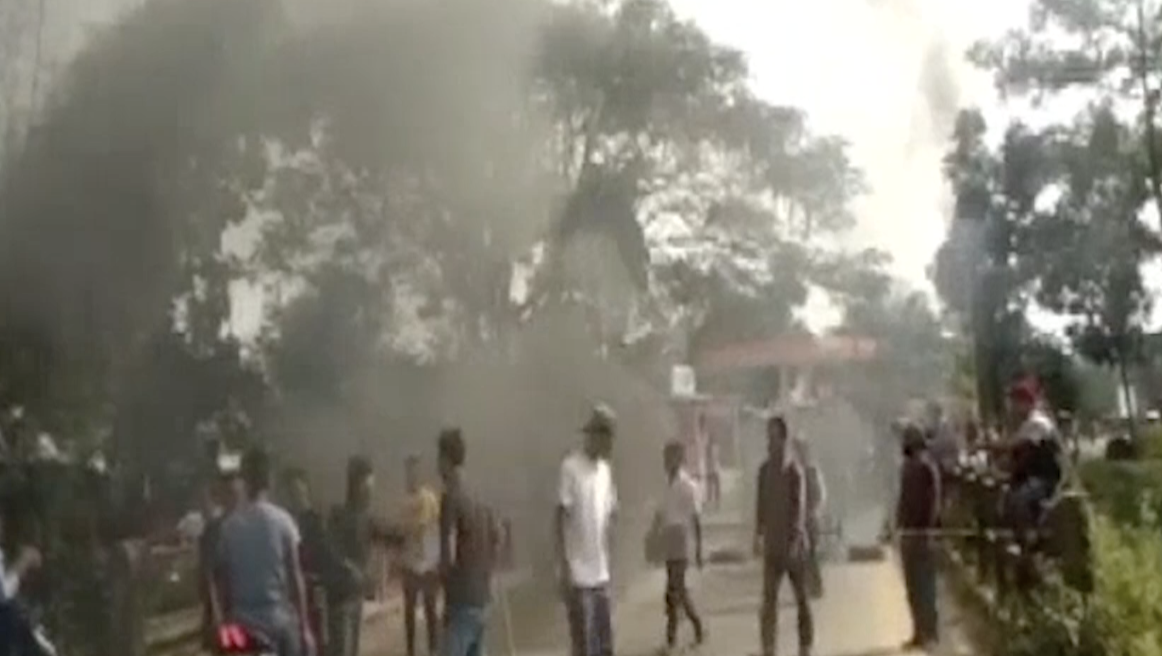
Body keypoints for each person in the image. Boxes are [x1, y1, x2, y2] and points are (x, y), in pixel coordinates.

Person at [213, 447, 315, 656]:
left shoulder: (229, 527)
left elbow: (224, 582)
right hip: (278, 622)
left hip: (242, 627)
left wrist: (224, 623)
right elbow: (296, 578)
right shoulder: (283, 522)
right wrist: (305, 629)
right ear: (269, 480)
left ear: (245, 480)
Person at [557, 405, 619, 656]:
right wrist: (563, 566)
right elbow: (560, 517)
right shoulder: (571, 467)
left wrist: (610, 550)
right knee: (584, 646)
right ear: (595, 435)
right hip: (579, 575)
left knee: (605, 646)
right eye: (608, 437)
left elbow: (611, 513)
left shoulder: (605, 471)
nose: (610, 444)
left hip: (601, 575)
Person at [438, 428, 500, 656]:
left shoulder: (450, 497)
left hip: (460, 602)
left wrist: (435, 575)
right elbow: (497, 537)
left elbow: (449, 555)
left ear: (445, 459)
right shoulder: (479, 494)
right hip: (482, 599)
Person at [754, 415, 812, 656]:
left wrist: (796, 539)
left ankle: (804, 646)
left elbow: (799, 508)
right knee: (768, 601)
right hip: (772, 545)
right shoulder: (764, 470)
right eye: (768, 435)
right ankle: (768, 648)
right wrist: (757, 535)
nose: (770, 440)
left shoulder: (794, 471)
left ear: (783, 438)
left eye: (775, 436)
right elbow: (760, 507)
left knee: (801, 598)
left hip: (793, 546)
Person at [327, 456, 384, 656]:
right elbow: (333, 551)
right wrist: (353, 569)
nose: (370, 488)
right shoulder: (338, 514)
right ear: (355, 482)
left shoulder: (368, 516)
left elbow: (388, 536)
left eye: (371, 482)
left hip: (356, 595)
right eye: (366, 482)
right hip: (340, 598)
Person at [894, 424, 941, 650]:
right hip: (910, 534)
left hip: (921, 534)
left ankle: (929, 633)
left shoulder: (925, 467)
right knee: (914, 588)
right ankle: (919, 632)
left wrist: (928, 528)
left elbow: (933, 501)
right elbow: (902, 501)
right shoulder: (908, 468)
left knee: (925, 586)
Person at [657, 441, 704, 652]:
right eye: (666, 458)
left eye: (670, 457)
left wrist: (699, 548)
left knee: (675, 591)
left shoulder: (688, 485)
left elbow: (695, 518)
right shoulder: (666, 484)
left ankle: (673, 638)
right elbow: (662, 513)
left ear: (679, 459)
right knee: (677, 591)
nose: (667, 462)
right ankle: (695, 628)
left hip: (681, 538)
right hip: (669, 538)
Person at [1003, 379, 1063, 538]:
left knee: (1019, 499)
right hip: (1031, 476)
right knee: (1004, 496)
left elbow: (1021, 447)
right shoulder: (1026, 424)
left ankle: (1029, 538)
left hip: (1044, 478)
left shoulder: (1037, 422)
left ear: (1025, 402)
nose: (1013, 407)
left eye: (1015, 402)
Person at [200, 470, 244, 651]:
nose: (234, 499)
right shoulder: (214, 530)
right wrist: (216, 614)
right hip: (224, 610)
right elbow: (208, 573)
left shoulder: (248, 525)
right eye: (229, 493)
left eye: (237, 493)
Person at [401, 455, 441, 656]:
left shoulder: (429, 498)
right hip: (409, 563)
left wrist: (437, 559)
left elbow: (432, 527)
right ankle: (410, 651)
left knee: (430, 608)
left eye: (414, 471)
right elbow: (403, 532)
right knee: (409, 611)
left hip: (428, 563)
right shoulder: (403, 501)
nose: (411, 475)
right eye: (408, 471)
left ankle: (433, 650)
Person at [794, 437, 826, 600]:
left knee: (811, 554)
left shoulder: (811, 470)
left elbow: (820, 495)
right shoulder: (794, 471)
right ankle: (808, 587)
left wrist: (813, 512)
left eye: (800, 450)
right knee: (802, 555)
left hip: (810, 519)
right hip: (799, 520)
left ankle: (816, 586)